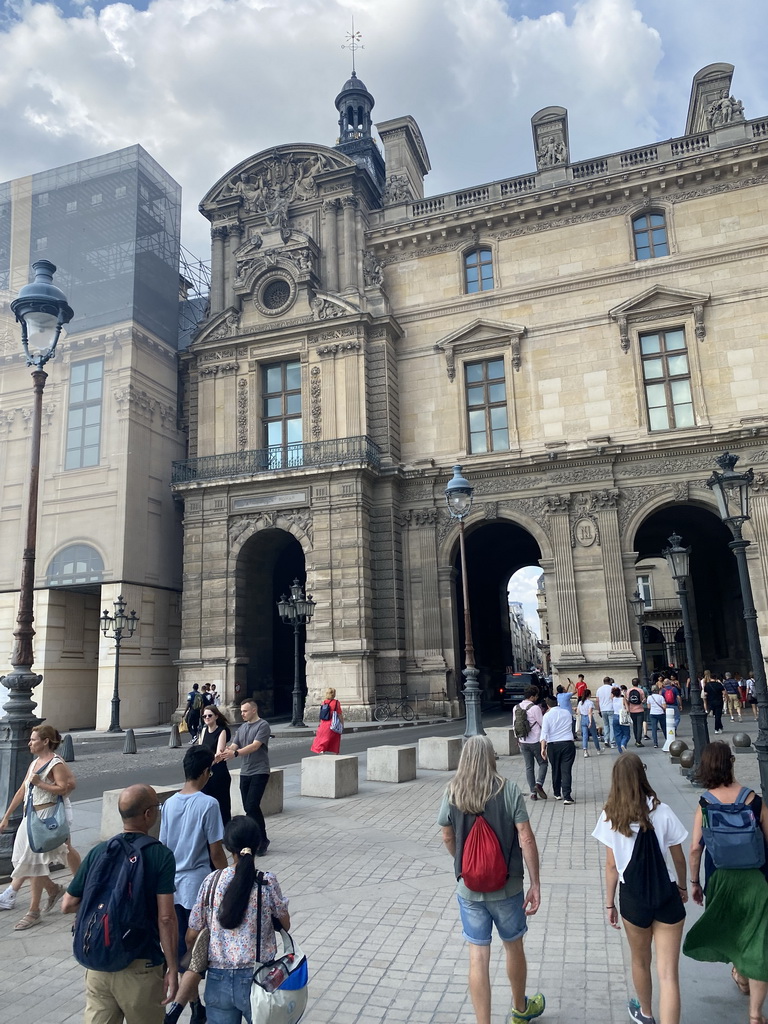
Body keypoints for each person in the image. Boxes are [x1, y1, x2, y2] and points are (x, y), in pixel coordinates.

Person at [437, 735, 544, 1024]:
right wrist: (534, 883)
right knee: (513, 946)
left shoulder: (452, 792)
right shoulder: (508, 790)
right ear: (490, 758)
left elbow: (447, 835)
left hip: (470, 890)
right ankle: (520, 1010)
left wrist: (464, 863)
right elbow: (526, 838)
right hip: (507, 888)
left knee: (478, 956)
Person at [62, 784, 179, 1023]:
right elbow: (166, 918)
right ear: (148, 814)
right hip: (141, 965)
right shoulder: (160, 855)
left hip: (98, 963)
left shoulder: (100, 851)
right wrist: (173, 967)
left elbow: (68, 903)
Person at [593, 754, 688, 1024]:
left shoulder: (610, 815)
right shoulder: (663, 811)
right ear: (642, 776)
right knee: (668, 973)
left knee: (639, 960)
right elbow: (679, 858)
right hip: (665, 893)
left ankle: (646, 1013)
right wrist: (682, 886)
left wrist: (609, 903)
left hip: (633, 898)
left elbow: (612, 867)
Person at [683, 741, 768, 1024]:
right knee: (758, 941)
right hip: (756, 879)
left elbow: (695, 848)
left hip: (719, 878)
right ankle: (755, 1014)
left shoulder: (705, 803)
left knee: (732, 928)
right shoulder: (754, 799)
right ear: (731, 762)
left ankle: (740, 974)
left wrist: (694, 881)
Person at [186, 816, 290, 1024]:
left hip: (218, 977)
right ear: (258, 844)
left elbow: (193, 932)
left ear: (227, 846)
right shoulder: (266, 881)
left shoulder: (212, 881)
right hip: (259, 977)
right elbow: (285, 924)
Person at [160, 746, 228, 1024]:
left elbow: (164, 846)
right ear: (204, 773)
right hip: (198, 887)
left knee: (177, 954)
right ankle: (185, 1007)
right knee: (198, 954)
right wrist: (229, 877)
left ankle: (196, 1006)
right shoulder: (208, 804)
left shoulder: (169, 803)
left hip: (171, 886)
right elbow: (215, 851)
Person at [0, 724, 80, 929]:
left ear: (45, 741)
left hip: (47, 815)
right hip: (31, 816)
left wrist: (40, 783)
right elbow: (22, 790)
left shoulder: (55, 763)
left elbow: (64, 788)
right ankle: (54, 889)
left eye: (33, 739)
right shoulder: (35, 763)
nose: (29, 743)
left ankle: (33, 911)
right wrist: (6, 816)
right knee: (23, 859)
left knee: (35, 860)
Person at [219, 698, 271, 857]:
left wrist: (235, 753)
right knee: (249, 807)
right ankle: (257, 838)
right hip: (245, 772)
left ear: (254, 710)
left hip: (260, 771)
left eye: (245, 711)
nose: (242, 714)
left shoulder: (263, 725)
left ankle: (262, 839)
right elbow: (235, 745)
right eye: (241, 711)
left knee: (251, 805)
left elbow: (255, 746)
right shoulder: (242, 728)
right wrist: (226, 751)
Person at [200, 705, 233, 825]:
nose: (207, 718)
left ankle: (225, 830)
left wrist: (206, 761)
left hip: (218, 772)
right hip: (206, 771)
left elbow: (219, 753)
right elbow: (201, 749)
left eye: (210, 715)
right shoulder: (203, 730)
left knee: (222, 802)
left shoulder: (221, 731)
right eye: (204, 716)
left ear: (216, 716)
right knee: (206, 800)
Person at [540, 696, 576, 805]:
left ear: (548, 705)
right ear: (558, 703)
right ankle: (567, 796)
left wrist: (543, 748)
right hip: (568, 744)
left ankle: (557, 793)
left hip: (553, 745)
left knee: (555, 769)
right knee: (566, 770)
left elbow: (544, 733)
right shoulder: (567, 713)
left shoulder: (547, 716)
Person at [516, 686, 548, 800]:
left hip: (523, 741)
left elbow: (514, 724)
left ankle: (532, 793)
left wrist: (518, 740)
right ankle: (538, 784)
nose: (537, 698)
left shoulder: (516, 707)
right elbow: (542, 723)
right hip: (535, 740)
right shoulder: (535, 708)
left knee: (529, 767)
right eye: (536, 696)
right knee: (543, 763)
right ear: (532, 696)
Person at [311, 686, 344, 754]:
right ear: (333, 694)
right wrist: (342, 723)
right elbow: (339, 714)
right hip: (332, 722)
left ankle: (321, 749)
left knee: (323, 737)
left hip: (323, 722)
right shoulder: (336, 702)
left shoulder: (324, 702)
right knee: (335, 737)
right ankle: (335, 751)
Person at [577, 689, 601, 757]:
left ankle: (585, 751)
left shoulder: (580, 702)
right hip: (588, 718)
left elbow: (578, 712)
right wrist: (590, 722)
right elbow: (590, 712)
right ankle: (598, 749)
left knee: (585, 736)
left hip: (583, 718)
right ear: (589, 695)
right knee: (594, 735)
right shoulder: (590, 703)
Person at [596, 676, 616, 748]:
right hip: (611, 708)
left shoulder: (599, 689)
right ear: (609, 681)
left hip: (603, 709)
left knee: (606, 725)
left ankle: (606, 740)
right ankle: (612, 742)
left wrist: (598, 710)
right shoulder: (612, 689)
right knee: (612, 725)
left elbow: (597, 701)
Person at [627, 678, 646, 747]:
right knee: (639, 725)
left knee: (635, 725)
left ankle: (636, 739)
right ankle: (639, 741)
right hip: (640, 710)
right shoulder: (640, 690)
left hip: (632, 710)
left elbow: (627, 700)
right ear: (638, 683)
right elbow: (643, 700)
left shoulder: (629, 691)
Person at [612, 686, 631, 754]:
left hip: (615, 716)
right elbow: (628, 709)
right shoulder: (623, 699)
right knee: (626, 734)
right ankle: (623, 744)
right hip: (622, 716)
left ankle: (620, 750)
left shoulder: (612, 699)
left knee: (617, 734)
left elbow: (611, 694)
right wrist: (624, 694)